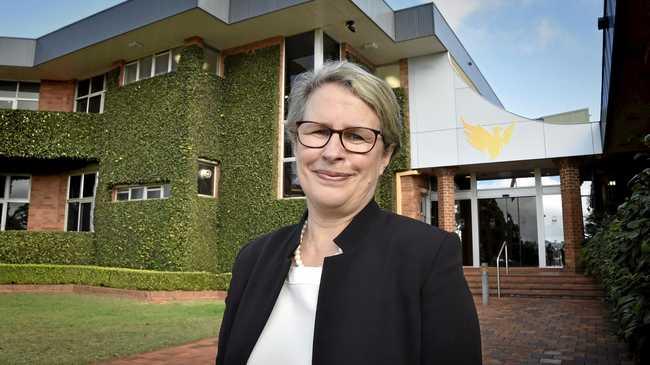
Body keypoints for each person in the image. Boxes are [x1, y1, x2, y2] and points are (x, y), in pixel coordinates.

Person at [216, 61, 481, 365]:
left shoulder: (427, 258)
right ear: (295, 143)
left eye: (356, 136)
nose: (332, 152)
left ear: (385, 157)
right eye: (318, 131)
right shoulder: (252, 259)